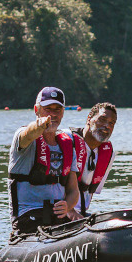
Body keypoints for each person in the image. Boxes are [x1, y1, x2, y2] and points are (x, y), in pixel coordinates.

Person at [7, 86, 81, 234]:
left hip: (57, 219)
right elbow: (28, 134)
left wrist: (67, 205)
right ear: (36, 110)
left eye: (57, 110)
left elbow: (73, 191)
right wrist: (38, 126)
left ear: (63, 112)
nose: (52, 115)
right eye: (47, 109)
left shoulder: (67, 145)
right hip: (28, 220)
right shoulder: (23, 137)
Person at [71, 102, 118, 215]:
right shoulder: (68, 143)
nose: (107, 126)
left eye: (111, 123)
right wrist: (69, 210)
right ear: (89, 119)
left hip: (82, 215)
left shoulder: (108, 153)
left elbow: (91, 190)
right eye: (102, 119)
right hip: (61, 213)